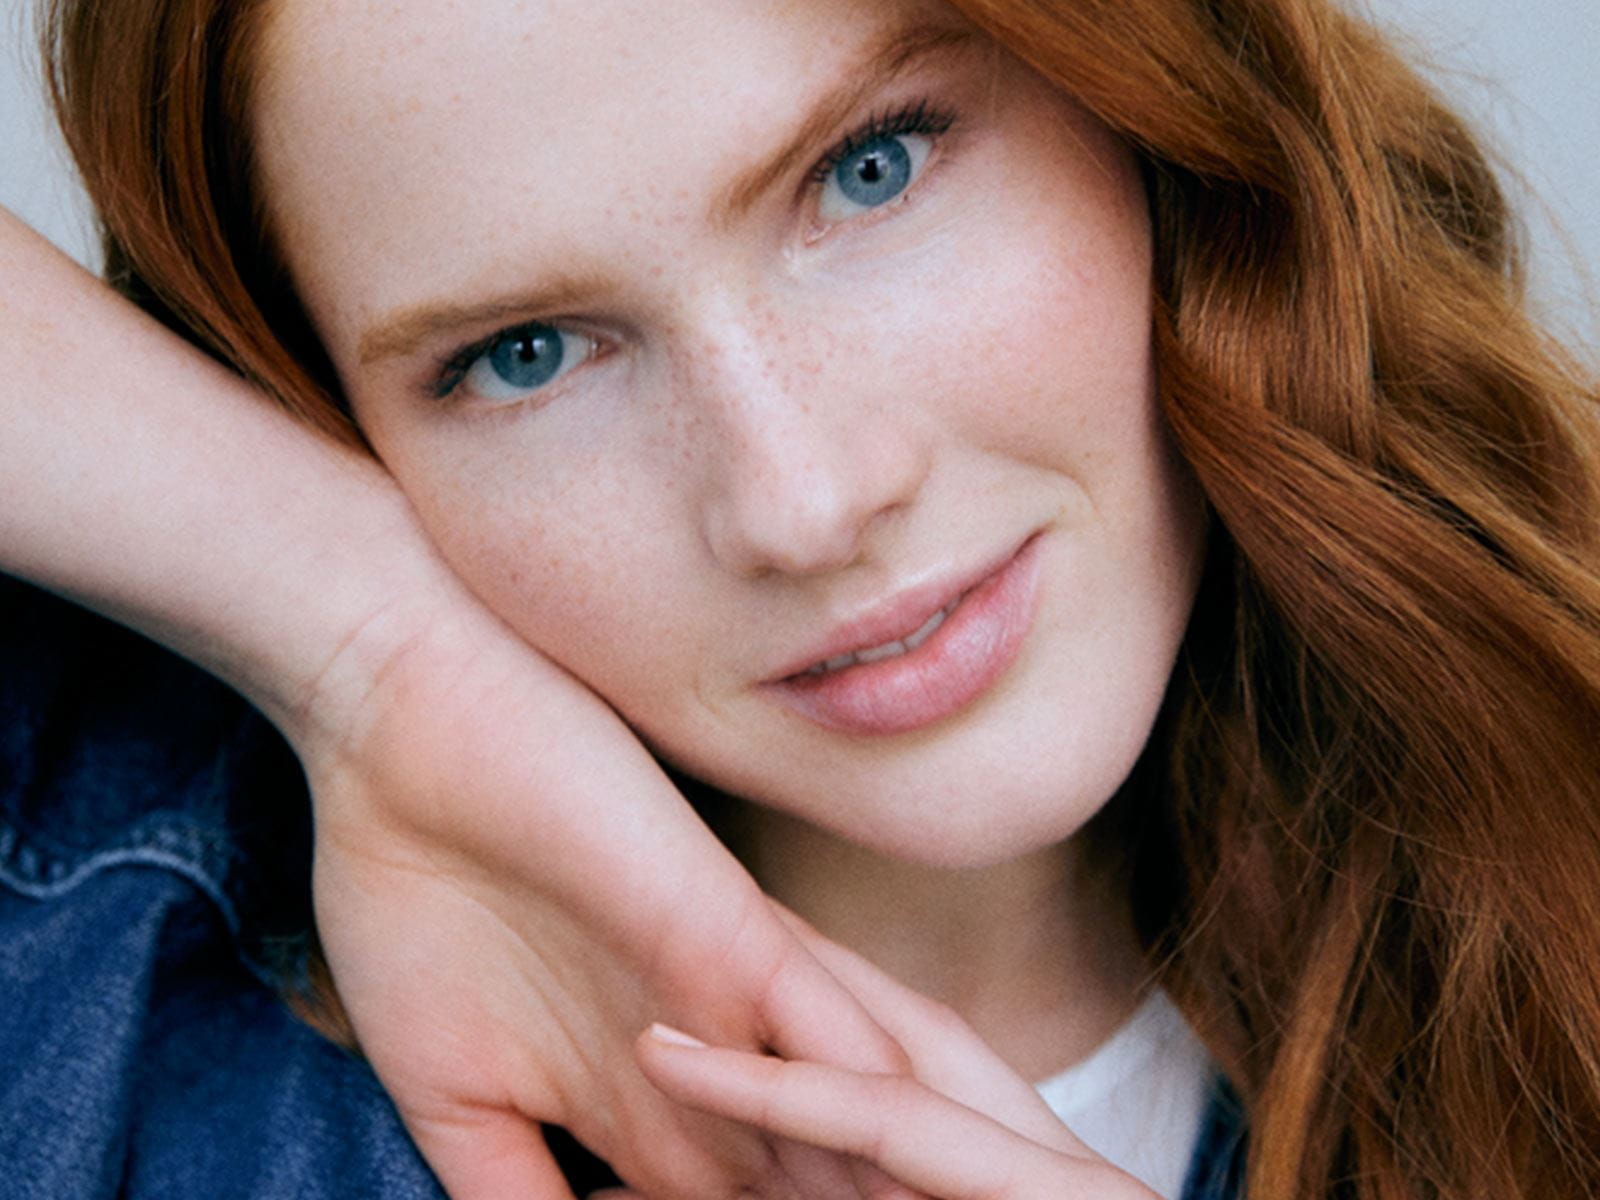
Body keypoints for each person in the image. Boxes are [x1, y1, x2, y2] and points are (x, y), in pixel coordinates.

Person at [5, 0, 1599, 1198]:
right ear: (324, 421)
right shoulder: (99, 950)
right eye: (524, 356)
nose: (804, 501)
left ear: (1148, 94)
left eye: (869, 170)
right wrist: (355, 636)